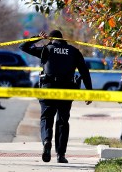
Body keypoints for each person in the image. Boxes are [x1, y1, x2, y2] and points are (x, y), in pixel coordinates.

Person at [19, 29, 92, 163]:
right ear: (62, 38)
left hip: (48, 89)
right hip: (67, 90)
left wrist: (37, 38)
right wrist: (89, 91)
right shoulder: (73, 51)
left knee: (46, 118)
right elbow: (84, 71)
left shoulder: (46, 49)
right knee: (63, 122)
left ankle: (47, 141)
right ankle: (61, 155)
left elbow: (22, 46)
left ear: (50, 39)